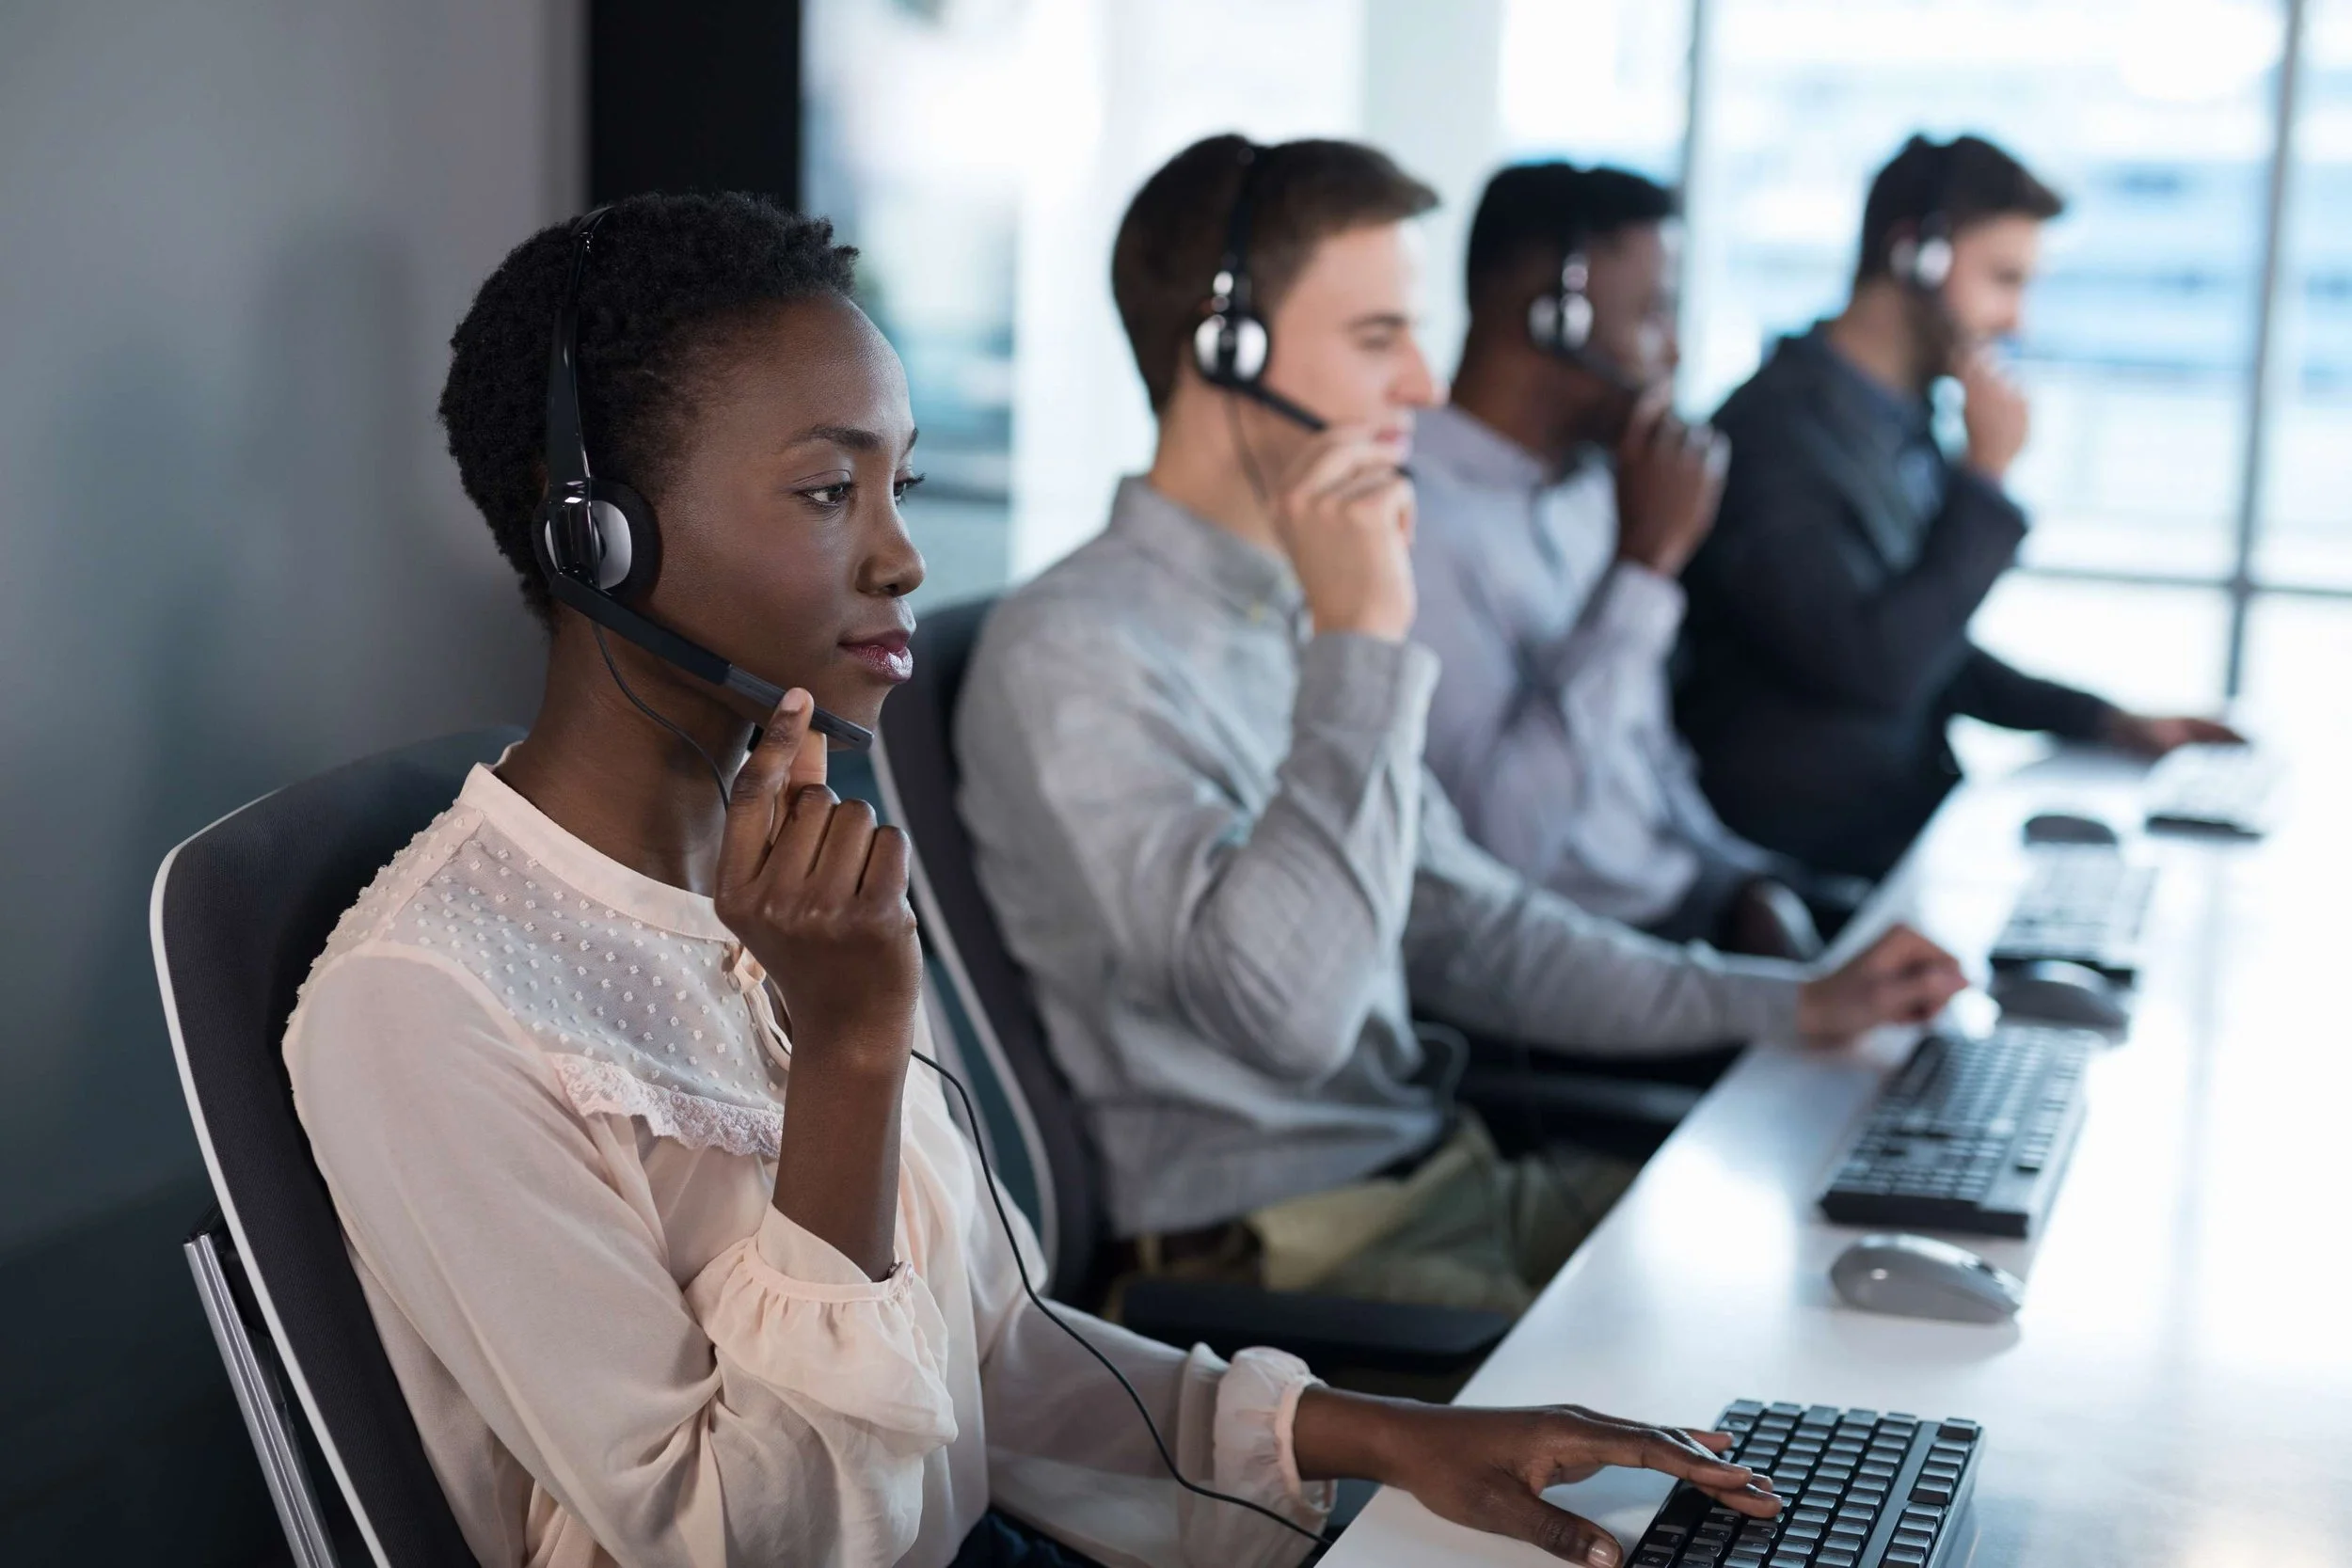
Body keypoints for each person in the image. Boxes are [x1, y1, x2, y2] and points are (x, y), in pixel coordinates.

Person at [283, 190, 1791, 1568]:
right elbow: (757, 1541)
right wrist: (855, 1053)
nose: (902, 557)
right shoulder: (421, 1004)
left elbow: (979, 1350)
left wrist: (1392, 1433)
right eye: (827, 494)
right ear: (592, 534)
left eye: (901, 485)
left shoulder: (796, 869)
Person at [956, 136, 1964, 1320]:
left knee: (1827, 1246)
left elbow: (1468, 924)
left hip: (1445, 1180)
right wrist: (1363, 646)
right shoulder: (1078, 652)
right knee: (1764, 1334)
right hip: (1280, 1264)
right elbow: (1293, 1016)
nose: (1427, 386)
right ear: (1226, 349)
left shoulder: (1287, 608)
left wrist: (1786, 1001)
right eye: (1380, 338)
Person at [1677, 134, 2243, 881]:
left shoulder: (1895, 421)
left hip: (1895, 834)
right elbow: (1876, 665)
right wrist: (1984, 479)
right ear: (1916, 255)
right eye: (2004, 279)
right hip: (1803, 865)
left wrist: (2106, 720)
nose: (2018, 321)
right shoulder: (1772, 434)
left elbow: (1935, 648)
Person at [1412, 162, 1865, 957]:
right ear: (1555, 318)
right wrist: (1642, 571)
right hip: (1582, 962)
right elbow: (1506, 843)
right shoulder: (1418, 522)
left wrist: (1746, 880)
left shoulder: (1595, 489)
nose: (1676, 352)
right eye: (1653, 313)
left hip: (1693, 901)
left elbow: (1649, 771)